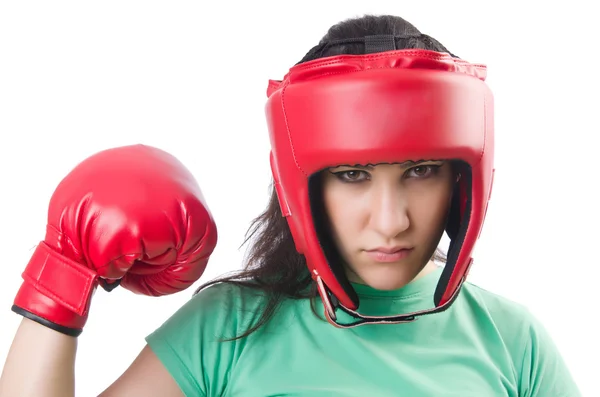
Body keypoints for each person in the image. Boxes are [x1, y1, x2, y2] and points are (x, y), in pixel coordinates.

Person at [0, 14, 581, 397]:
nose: (391, 220)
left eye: (421, 171)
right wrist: (65, 270)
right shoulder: (228, 330)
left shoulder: (513, 341)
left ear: (462, 179)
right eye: (353, 175)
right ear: (302, 190)